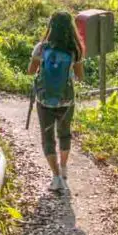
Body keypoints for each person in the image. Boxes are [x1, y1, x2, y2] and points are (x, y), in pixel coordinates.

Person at [28, 11, 85, 193]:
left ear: (50, 26)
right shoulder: (74, 49)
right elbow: (80, 76)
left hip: (44, 99)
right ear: (70, 27)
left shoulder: (41, 48)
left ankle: (56, 177)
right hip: (67, 99)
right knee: (65, 134)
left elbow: (30, 71)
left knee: (48, 137)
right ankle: (64, 168)